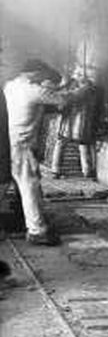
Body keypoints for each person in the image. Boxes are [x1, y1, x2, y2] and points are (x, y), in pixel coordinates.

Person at [3, 59, 89, 245]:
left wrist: (62, 85)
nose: (45, 79)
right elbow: (65, 99)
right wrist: (84, 89)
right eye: (43, 76)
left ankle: (22, 222)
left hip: (8, 143)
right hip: (22, 146)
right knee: (29, 186)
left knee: (8, 186)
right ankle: (37, 231)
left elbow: (50, 94)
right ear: (35, 73)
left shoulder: (11, 86)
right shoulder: (33, 91)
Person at [50, 60, 100, 179]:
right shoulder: (75, 85)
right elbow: (64, 96)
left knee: (82, 145)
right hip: (70, 121)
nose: (77, 76)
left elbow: (73, 96)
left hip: (80, 121)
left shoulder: (88, 88)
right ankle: (56, 169)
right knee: (63, 144)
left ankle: (86, 171)